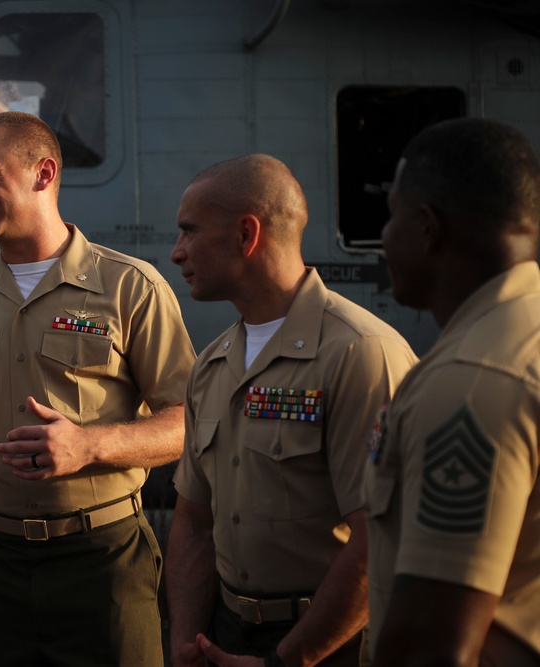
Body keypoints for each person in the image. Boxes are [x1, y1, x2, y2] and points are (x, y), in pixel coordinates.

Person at [0, 111, 195, 666]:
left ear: (43, 173)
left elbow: (189, 423)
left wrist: (89, 445)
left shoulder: (130, 287)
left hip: (102, 560)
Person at [166, 154, 417, 667]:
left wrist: (286, 661)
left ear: (246, 235)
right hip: (227, 636)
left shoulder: (359, 353)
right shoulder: (212, 366)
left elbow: (382, 537)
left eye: (190, 232)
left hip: (333, 644)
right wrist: (187, 643)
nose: (176, 253)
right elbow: (194, 520)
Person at [366, 118, 540, 665]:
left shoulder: (469, 381)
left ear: (426, 227)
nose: (383, 238)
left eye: (391, 216)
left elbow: (431, 645)